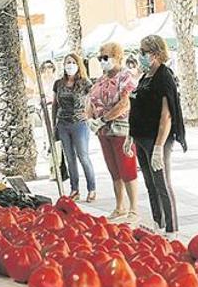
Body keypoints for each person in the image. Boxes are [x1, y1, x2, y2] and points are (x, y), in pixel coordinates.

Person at [126, 35, 187, 236]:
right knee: (150, 183)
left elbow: (166, 115)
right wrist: (130, 136)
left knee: (162, 183)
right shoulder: (145, 77)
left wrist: (160, 146)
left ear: (155, 53)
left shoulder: (163, 76)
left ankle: (172, 229)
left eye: (143, 52)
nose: (140, 56)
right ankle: (158, 223)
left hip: (156, 138)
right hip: (141, 137)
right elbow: (136, 108)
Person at [86, 42, 139, 222]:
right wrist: (90, 119)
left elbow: (125, 103)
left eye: (106, 58)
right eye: (100, 58)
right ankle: (119, 206)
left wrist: (103, 119)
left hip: (121, 129)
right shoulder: (100, 79)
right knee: (114, 170)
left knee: (127, 169)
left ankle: (133, 208)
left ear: (117, 57)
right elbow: (91, 99)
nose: (102, 61)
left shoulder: (126, 77)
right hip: (103, 131)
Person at [52, 53, 95, 202]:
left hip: (79, 124)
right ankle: (74, 189)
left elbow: (94, 100)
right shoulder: (58, 83)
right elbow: (55, 105)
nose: (69, 65)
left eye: (72, 62)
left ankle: (92, 188)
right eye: (67, 62)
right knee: (70, 158)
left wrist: (88, 115)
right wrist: (53, 125)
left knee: (83, 156)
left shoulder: (85, 83)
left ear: (78, 64)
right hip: (63, 124)